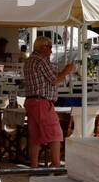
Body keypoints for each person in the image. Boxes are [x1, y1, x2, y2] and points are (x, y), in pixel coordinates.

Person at [22, 35, 75, 167]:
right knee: (56, 133)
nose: (51, 51)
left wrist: (62, 72)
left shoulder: (29, 61)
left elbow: (48, 78)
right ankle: (56, 164)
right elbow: (55, 80)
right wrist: (66, 71)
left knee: (36, 136)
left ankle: (34, 167)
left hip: (31, 101)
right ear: (42, 47)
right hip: (42, 102)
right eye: (50, 47)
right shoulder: (41, 60)